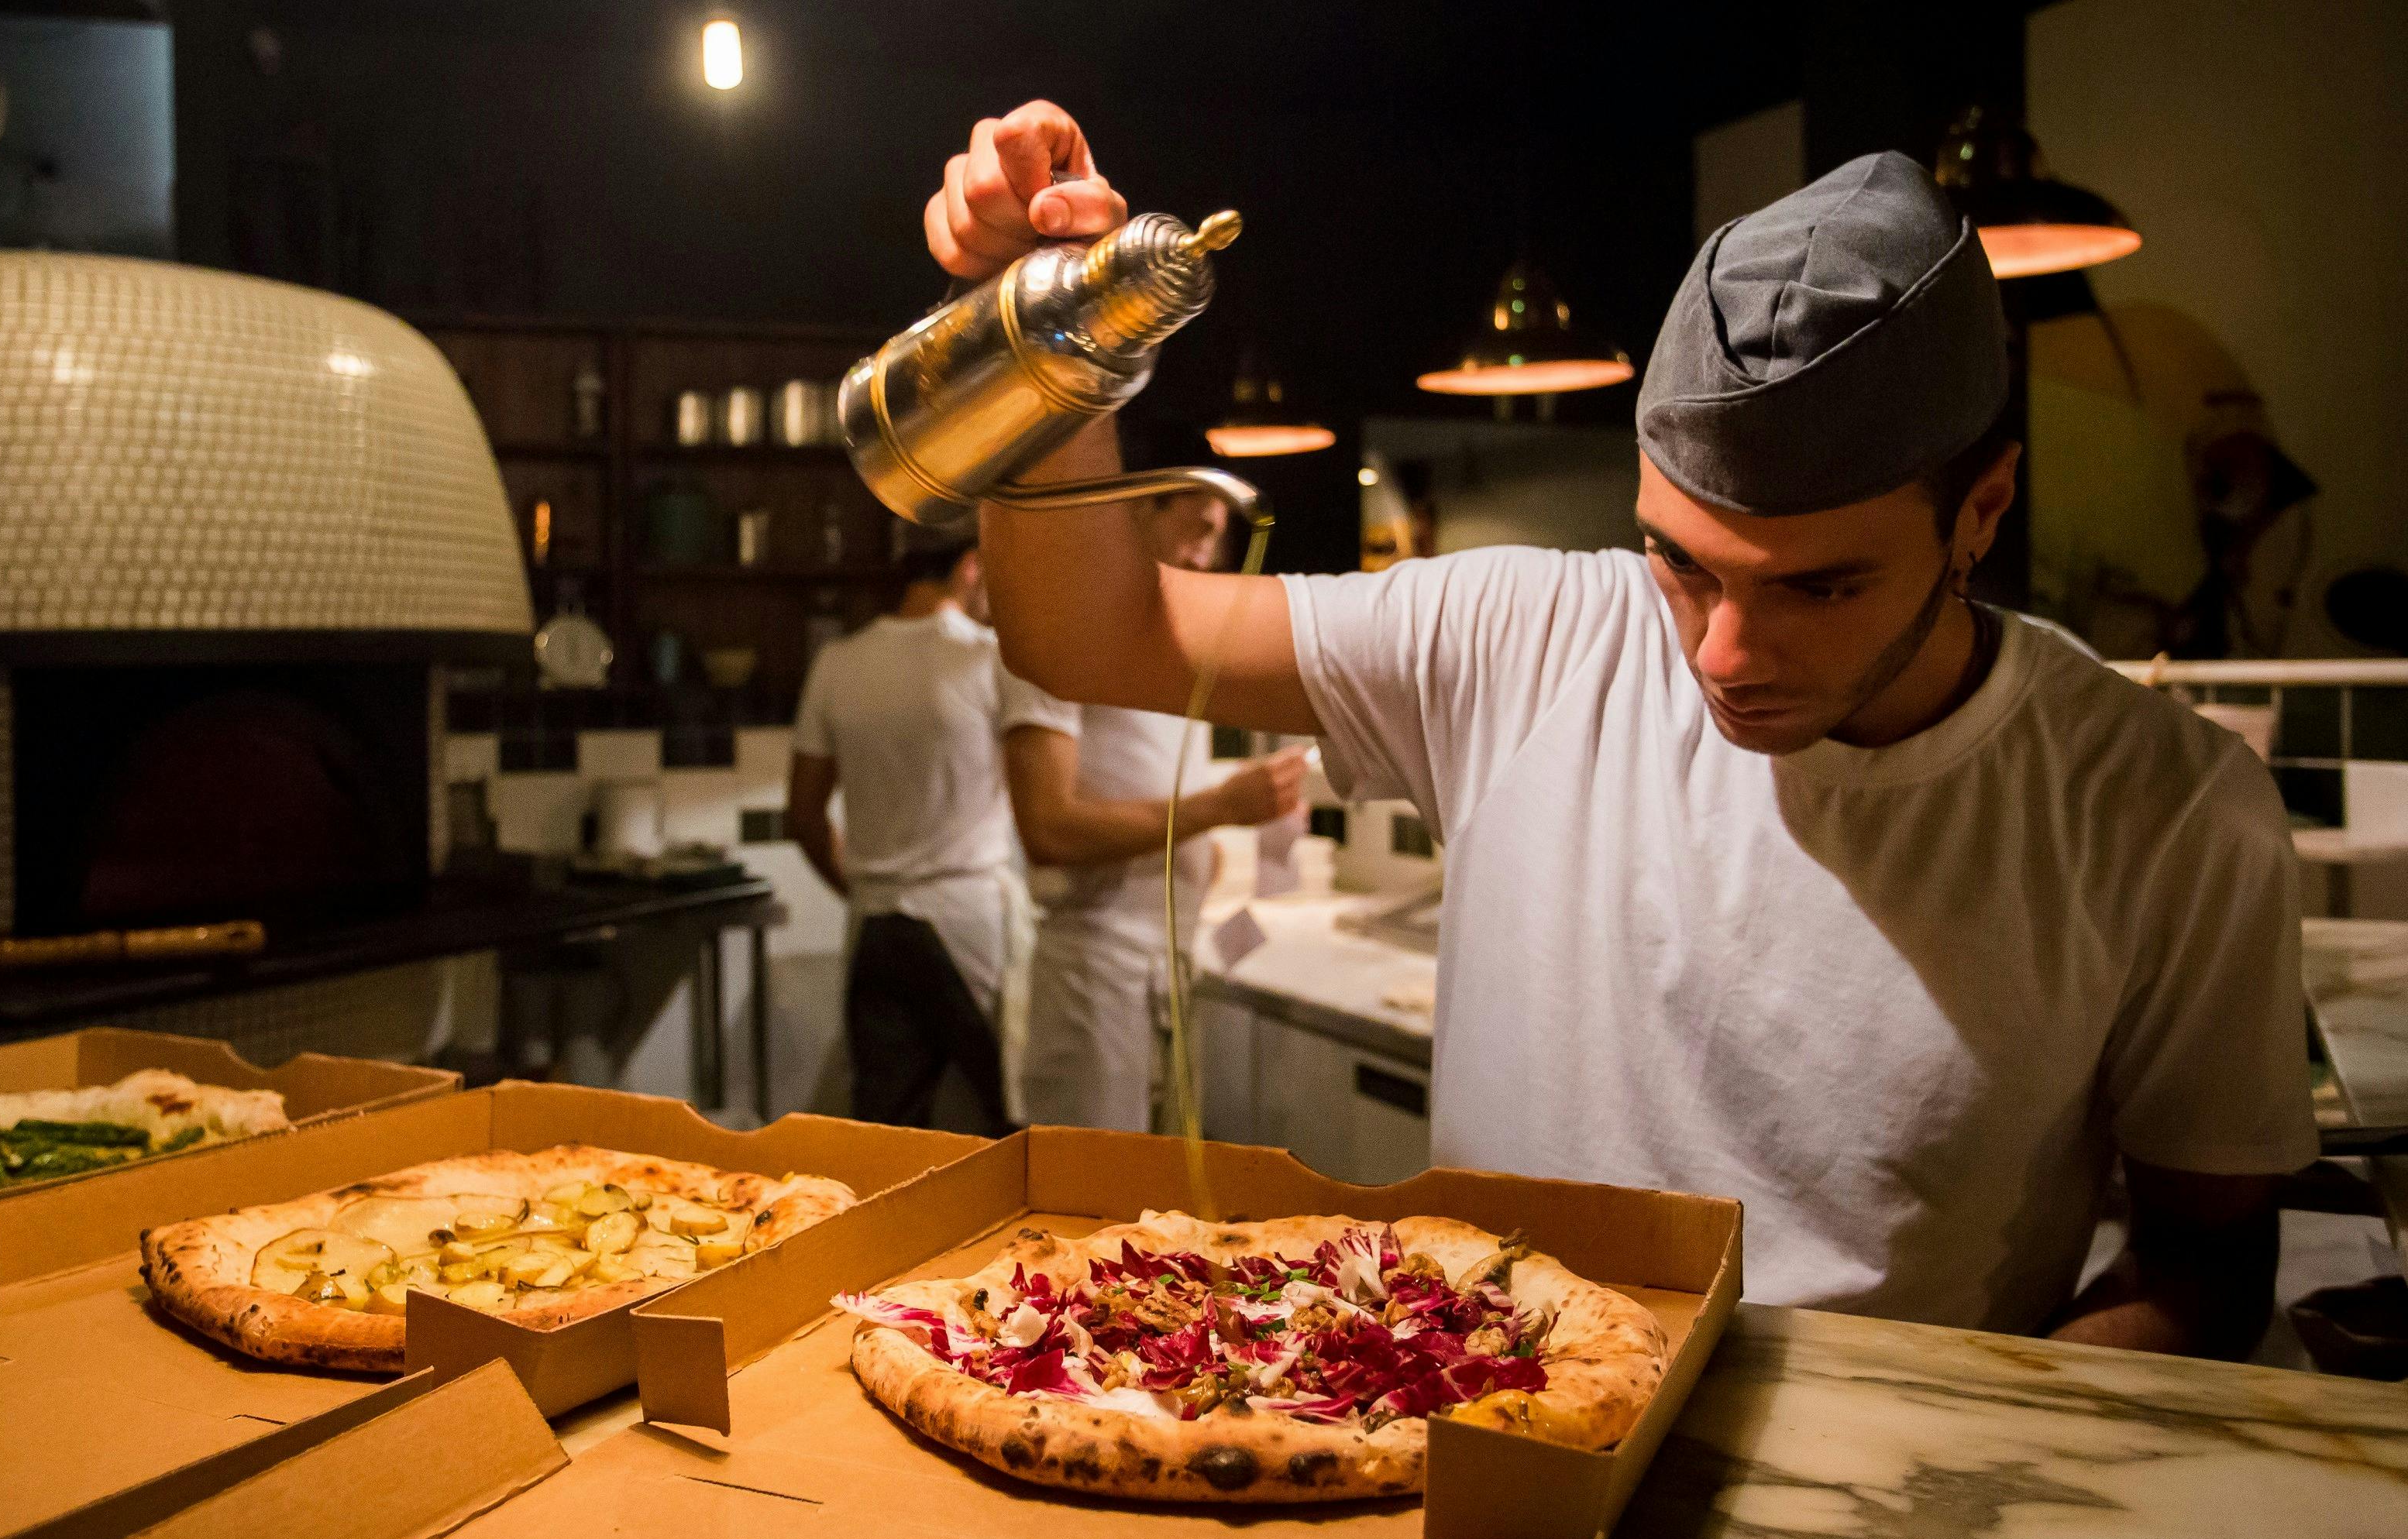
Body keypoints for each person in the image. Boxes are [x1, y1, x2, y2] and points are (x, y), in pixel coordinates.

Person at [921, 100, 2317, 1357]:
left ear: (1981, 511)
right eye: (1681, 561)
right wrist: (1029, 321)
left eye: (1816, 587)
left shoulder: (2160, 810)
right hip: (1476, 1448)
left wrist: (1957, 1478)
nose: (1722, 655)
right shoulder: (1525, 640)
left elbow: (2202, 1269)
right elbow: (1088, 634)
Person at [999, 488, 1307, 1129]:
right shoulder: (1059, 632)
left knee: (1157, 1211)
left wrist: (1204, 851)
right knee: (1092, 1206)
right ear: (1139, 510)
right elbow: (1048, 827)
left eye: (1217, 536)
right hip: (1096, 970)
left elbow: (1141, 781)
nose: (1207, 555)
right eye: (1197, 528)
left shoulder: (1171, 647)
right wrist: (1217, 808)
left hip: (1165, 968)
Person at [787, 532, 1017, 1132]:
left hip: (875, 924)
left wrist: (861, 887)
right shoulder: (990, 658)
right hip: (970, 926)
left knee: (888, 1134)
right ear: (970, 567)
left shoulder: (839, 663)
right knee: (1012, 1124)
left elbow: (804, 816)